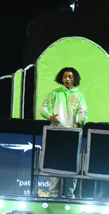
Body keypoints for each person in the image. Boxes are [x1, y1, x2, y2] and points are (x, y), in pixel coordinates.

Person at [39, 67, 88, 199]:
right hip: (56, 132)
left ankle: (69, 194)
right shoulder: (54, 93)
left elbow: (83, 111)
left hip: (72, 134)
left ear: (74, 78)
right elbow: (43, 109)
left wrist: (80, 122)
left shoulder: (79, 95)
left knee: (72, 165)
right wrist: (51, 117)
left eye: (70, 76)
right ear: (61, 78)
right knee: (55, 164)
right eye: (65, 76)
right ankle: (53, 194)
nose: (67, 79)